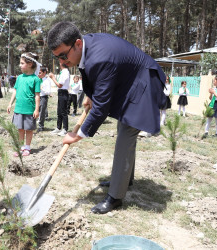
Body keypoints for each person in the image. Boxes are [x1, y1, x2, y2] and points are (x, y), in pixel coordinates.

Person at [47, 21, 166, 214]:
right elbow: (90, 73)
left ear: (77, 43)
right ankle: (125, 178)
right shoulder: (86, 47)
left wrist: (78, 135)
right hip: (131, 80)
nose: (62, 63)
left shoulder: (101, 57)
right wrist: (90, 96)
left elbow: (101, 107)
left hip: (144, 82)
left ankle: (115, 197)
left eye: (63, 56)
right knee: (123, 131)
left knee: (126, 134)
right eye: (57, 58)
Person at [7, 52, 41, 156]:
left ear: (30, 64)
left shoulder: (36, 79)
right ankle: (20, 147)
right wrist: (10, 104)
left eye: (22, 63)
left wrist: (36, 109)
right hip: (19, 109)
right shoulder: (19, 78)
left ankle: (27, 147)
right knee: (20, 129)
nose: (20, 65)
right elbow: (15, 91)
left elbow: (37, 95)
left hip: (29, 110)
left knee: (29, 129)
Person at [49, 62, 70, 136]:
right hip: (61, 93)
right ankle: (58, 127)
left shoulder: (65, 72)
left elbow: (60, 85)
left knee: (64, 112)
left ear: (61, 64)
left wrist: (53, 78)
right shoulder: (63, 72)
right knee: (59, 111)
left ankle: (65, 129)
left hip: (63, 92)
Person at [37, 66, 51, 132]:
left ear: (44, 72)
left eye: (40, 73)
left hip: (43, 97)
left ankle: (41, 126)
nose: (38, 74)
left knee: (42, 112)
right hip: (37, 97)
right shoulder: (38, 80)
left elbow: (48, 92)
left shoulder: (47, 81)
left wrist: (41, 88)